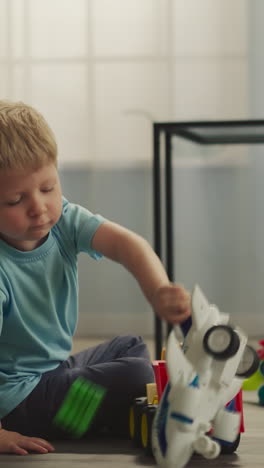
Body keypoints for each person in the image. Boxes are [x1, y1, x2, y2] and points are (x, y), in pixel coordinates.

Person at [0, 100, 191, 455]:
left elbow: (125, 244)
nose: (39, 207)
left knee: (131, 347)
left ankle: (91, 412)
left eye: (47, 188)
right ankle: (82, 419)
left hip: (50, 371)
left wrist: (159, 289)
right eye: (15, 200)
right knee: (136, 376)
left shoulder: (65, 221)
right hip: (17, 402)